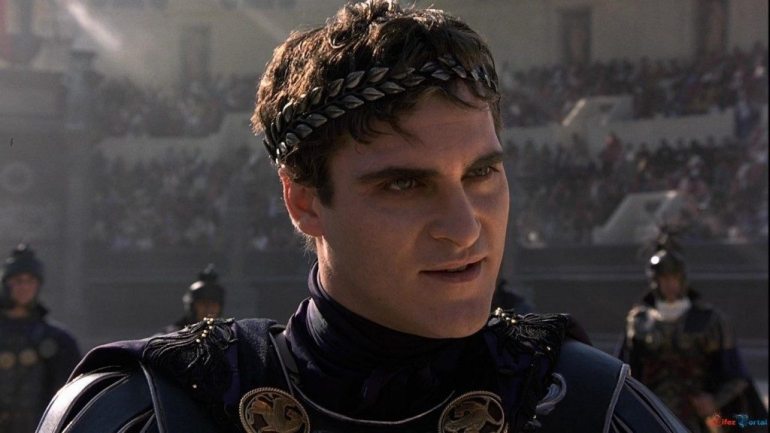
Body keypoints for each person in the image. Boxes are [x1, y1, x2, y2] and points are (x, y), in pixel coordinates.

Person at [37, 2, 688, 432]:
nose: (465, 228)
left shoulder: (588, 407)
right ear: (304, 201)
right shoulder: (154, 412)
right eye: (405, 184)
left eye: (482, 173)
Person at [619, 234, 768, 432]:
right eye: (664, 278)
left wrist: (714, 401)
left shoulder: (709, 320)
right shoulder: (639, 321)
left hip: (696, 417)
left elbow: (736, 375)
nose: (670, 284)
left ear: (682, 279)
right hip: (652, 413)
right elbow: (626, 372)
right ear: (655, 280)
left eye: (674, 277)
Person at [0, 244, 80, 433]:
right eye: (18, 281)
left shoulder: (58, 340)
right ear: (7, 284)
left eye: (30, 281)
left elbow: (69, 394)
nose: (24, 287)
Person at [162, 264, 226, 334]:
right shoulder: (172, 335)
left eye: (214, 304)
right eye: (203, 303)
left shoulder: (226, 334)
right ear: (192, 306)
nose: (209, 308)